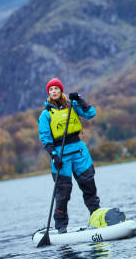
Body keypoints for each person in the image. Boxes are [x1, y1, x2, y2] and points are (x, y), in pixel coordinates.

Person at [38, 78, 100, 233]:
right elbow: (45, 138)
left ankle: (96, 217)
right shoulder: (45, 115)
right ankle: (61, 227)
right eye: (51, 89)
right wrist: (54, 155)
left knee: (89, 186)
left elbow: (91, 113)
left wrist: (79, 98)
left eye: (56, 89)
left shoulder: (73, 105)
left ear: (61, 91)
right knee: (63, 193)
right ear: (49, 93)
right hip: (60, 155)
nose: (54, 91)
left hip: (79, 151)